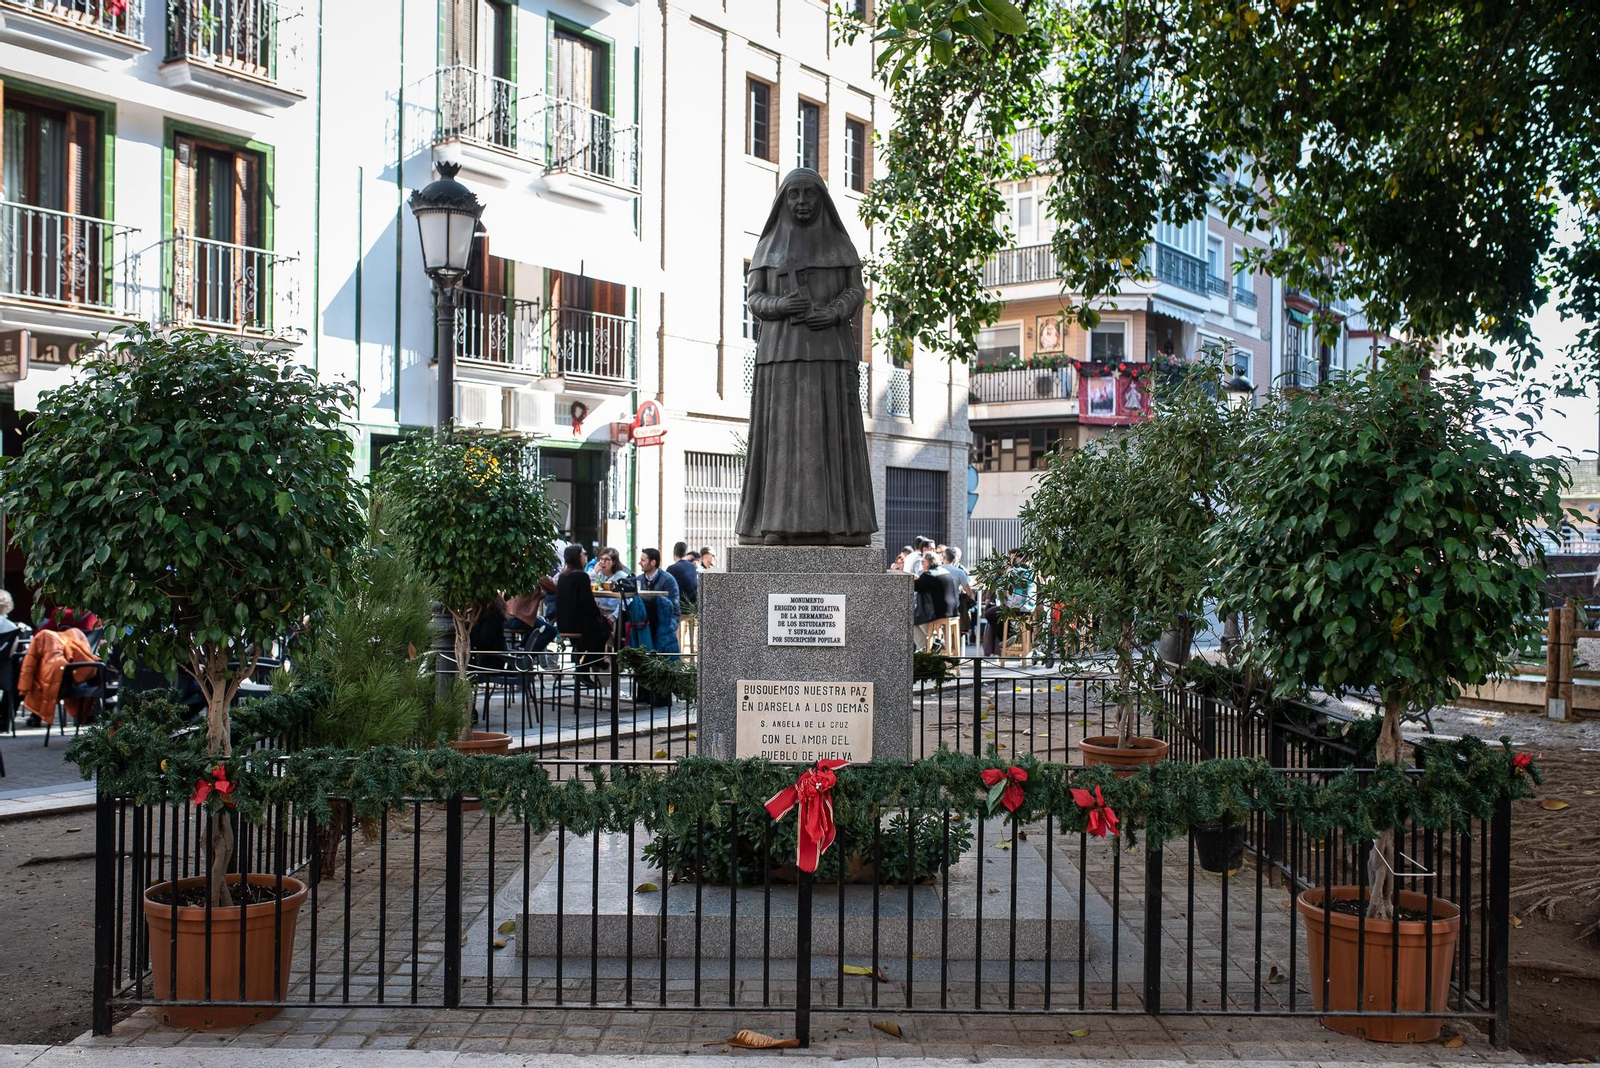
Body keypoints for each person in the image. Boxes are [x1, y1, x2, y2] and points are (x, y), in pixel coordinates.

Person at [736, 168, 877, 546]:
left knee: (832, 436)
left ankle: (840, 525)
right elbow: (754, 298)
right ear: (784, 200)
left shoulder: (840, 245)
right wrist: (780, 304)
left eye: (809, 194)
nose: (801, 202)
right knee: (782, 438)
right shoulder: (768, 247)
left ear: (821, 199)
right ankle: (775, 524)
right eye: (794, 194)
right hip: (781, 355)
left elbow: (855, 291)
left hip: (830, 353)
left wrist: (834, 311)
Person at [555, 545, 612, 679]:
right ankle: (585, 667)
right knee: (604, 629)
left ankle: (588, 663)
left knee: (597, 628)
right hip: (578, 624)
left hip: (563, 623)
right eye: (583, 554)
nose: (585, 556)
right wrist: (599, 615)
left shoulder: (563, 576)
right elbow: (587, 602)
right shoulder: (581, 576)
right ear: (577, 557)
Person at [983, 550, 1037, 656]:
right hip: (1030, 609)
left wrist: (1004, 602)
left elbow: (1000, 592)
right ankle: (1016, 638)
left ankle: (1008, 637)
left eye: (1011, 558)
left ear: (1017, 559)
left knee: (990, 613)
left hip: (1014, 609)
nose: (1009, 561)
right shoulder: (1033, 572)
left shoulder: (1012, 572)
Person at [913, 551, 961, 649]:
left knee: (913, 621)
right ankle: (933, 643)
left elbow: (916, 586)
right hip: (952, 610)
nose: (922, 564)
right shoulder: (945, 572)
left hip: (937, 612)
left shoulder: (929, 575)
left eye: (923, 562)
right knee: (916, 620)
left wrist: (913, 579)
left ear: (928, 562)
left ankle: (930, 645)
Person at [943, 546, 977, 643]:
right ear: (955, 559)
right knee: (967, 609)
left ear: (943, 557)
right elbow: (969, 593)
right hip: (953, 609)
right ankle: (954, 644)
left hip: (936, 610)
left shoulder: (937, 570)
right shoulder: (959, 572)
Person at [666, 541, 700, 606]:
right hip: (692, 606)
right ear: (685, 553)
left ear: (674, 553)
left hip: (679, 606)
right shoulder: (692, 567)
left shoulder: (671, 569)